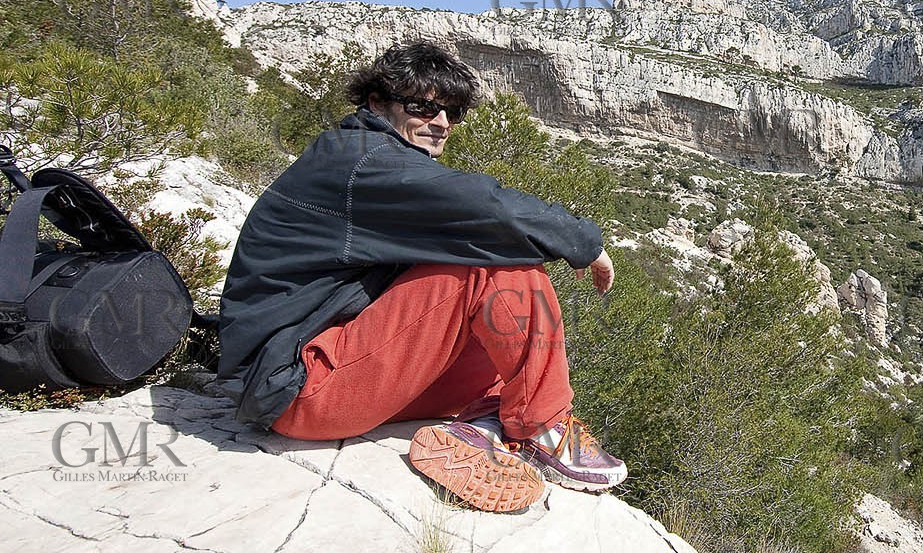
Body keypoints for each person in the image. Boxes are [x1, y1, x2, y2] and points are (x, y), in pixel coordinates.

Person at [217, 41, 625, 512]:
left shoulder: (363, 162)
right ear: (376, 103)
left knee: (486, 272)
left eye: (452, 112)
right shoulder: (359, 162)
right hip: (296, 388)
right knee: (499, 266)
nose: (441, 122)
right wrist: (583, 241)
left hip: (328, 377)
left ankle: (490, 418)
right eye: (423, 106)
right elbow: (482, 206)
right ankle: (539, 425)